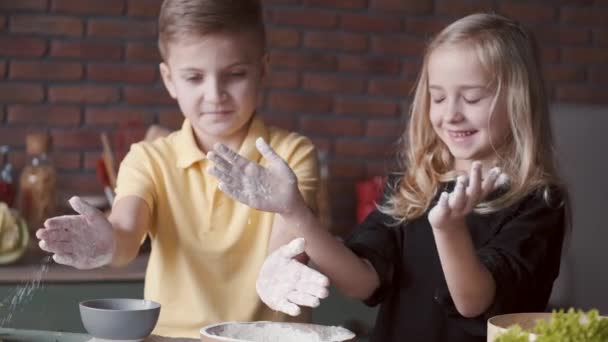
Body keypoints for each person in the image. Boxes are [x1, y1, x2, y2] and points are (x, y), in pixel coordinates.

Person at [206, 13, 569, 342]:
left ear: (520, 100)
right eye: (438, 98)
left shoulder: (540, 204)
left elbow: (472, 303)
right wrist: (295, 213)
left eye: (472, 98)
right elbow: (361, 280)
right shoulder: (415, 184)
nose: (451, 114)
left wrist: (448, 229)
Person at [35, 0, 323, 338]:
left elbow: (287, 241)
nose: (215, 94)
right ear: (170, 79)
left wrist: (283, 262)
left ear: (263, 70)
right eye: (194, 77)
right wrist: (107, 242)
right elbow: (126, 232)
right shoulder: (149, 160)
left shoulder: (291, 154)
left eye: (235, 74)